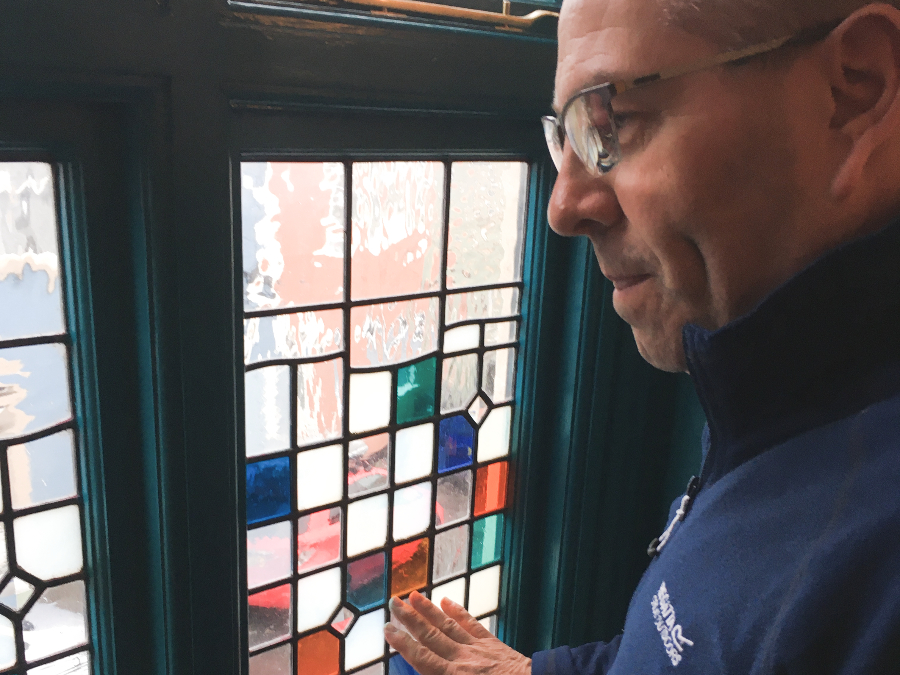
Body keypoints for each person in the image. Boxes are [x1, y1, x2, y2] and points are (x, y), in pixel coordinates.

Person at [384, 0, 900, 671]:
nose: (563, 207)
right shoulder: (785, 387)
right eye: (565, 134)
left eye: (611, 119)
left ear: (853, 92)